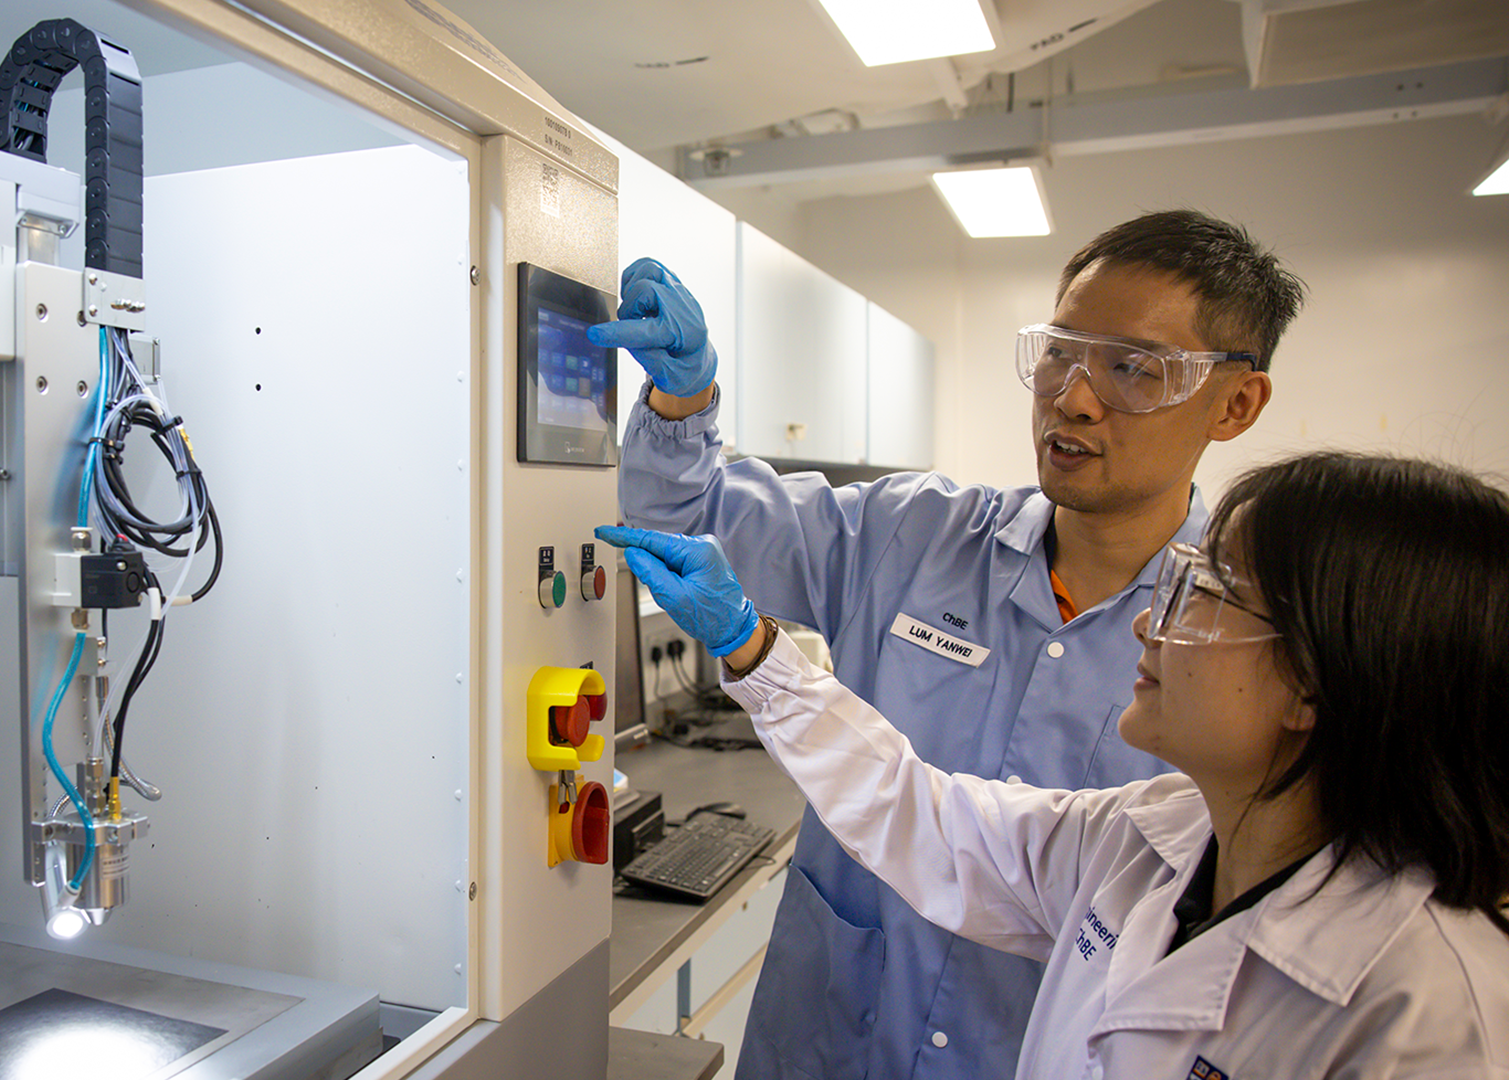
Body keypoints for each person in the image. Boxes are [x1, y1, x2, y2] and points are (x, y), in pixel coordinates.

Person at [588, 210, 1306, 1079]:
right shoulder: (911, 535)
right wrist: (682, 401)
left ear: (1236, 403)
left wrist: (757, 656)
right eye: (1060, 353)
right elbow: (685, 521)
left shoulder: (1232, 657)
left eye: (1133, 368)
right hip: (825, 1048)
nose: (1074, 397)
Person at [596, 449, 1509, 1078]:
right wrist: (755, 648)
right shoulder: (1151, 837)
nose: (1157, 620)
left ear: (1320, 683)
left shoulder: (1435, 1018)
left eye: (1214, 593)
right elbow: (925, 818)